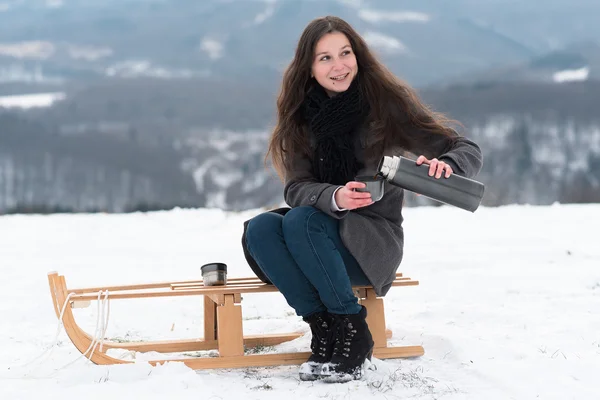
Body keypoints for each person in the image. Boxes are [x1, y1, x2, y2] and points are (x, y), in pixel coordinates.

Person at [243, 16, 483, 383]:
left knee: (300, 220)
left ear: (358, 56)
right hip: (315, 241)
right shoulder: (300, 120)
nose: (339, 65)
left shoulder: (385, 107)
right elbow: (296, 188)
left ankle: (353, 331)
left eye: (345, 53)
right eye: (325, 58)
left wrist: (445, 165)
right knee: (260, 229)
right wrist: (335, 195)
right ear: (308, 67)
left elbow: (464, 148)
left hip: (371, 242)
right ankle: (323, 330)